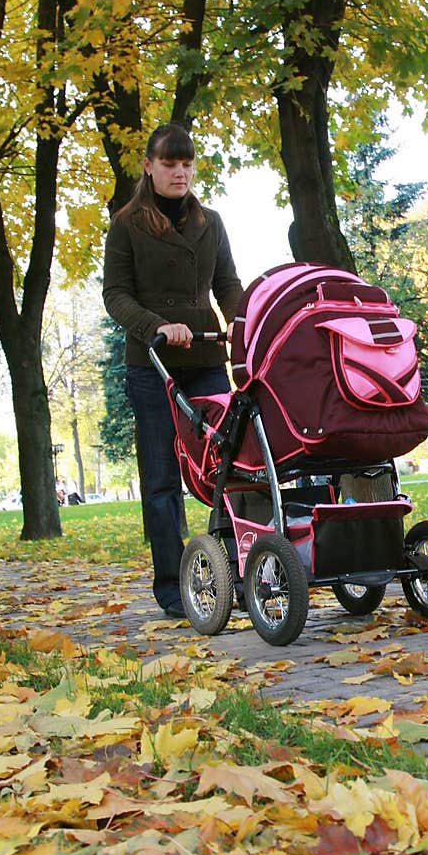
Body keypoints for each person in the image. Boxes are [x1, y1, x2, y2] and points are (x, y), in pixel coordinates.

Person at [102, 122, 245, 618]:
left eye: (186, 164)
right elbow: (115, 295)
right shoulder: (127, 224)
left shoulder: (212, 222)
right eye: (169, 163)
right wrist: (158, 325)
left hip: (206, 357)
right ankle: (172, 587)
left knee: (226, 469)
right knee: (162, 479)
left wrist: (247, 322)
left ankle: (235, 573)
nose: (179, 172)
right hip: (154, 363)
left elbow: (227, 283)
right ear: (149, 166)